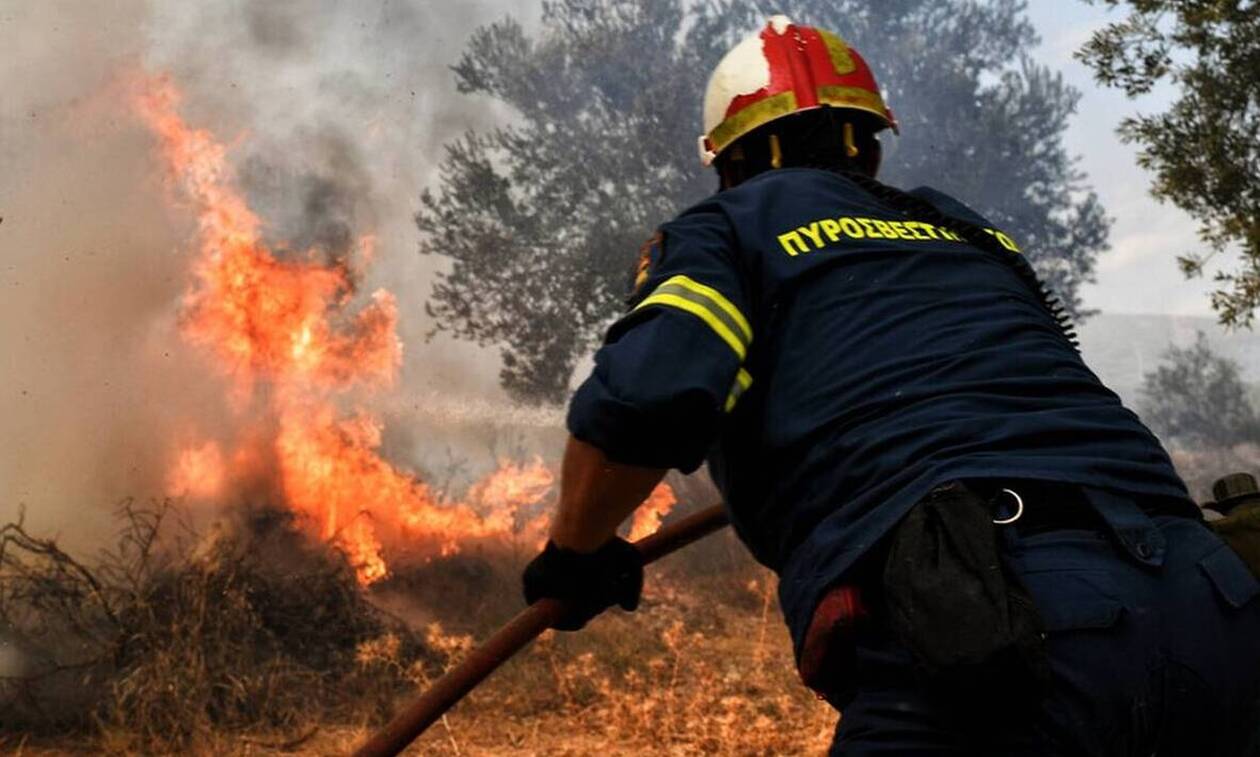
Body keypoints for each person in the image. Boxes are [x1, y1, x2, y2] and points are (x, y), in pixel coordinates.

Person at [521, 15, 1260, 755]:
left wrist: (574, 554)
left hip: (1001, 623)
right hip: (1217, 601)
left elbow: (646, 398)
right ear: (870, 148)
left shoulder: (725, 229)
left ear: (731, 164)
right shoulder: (963, 231)